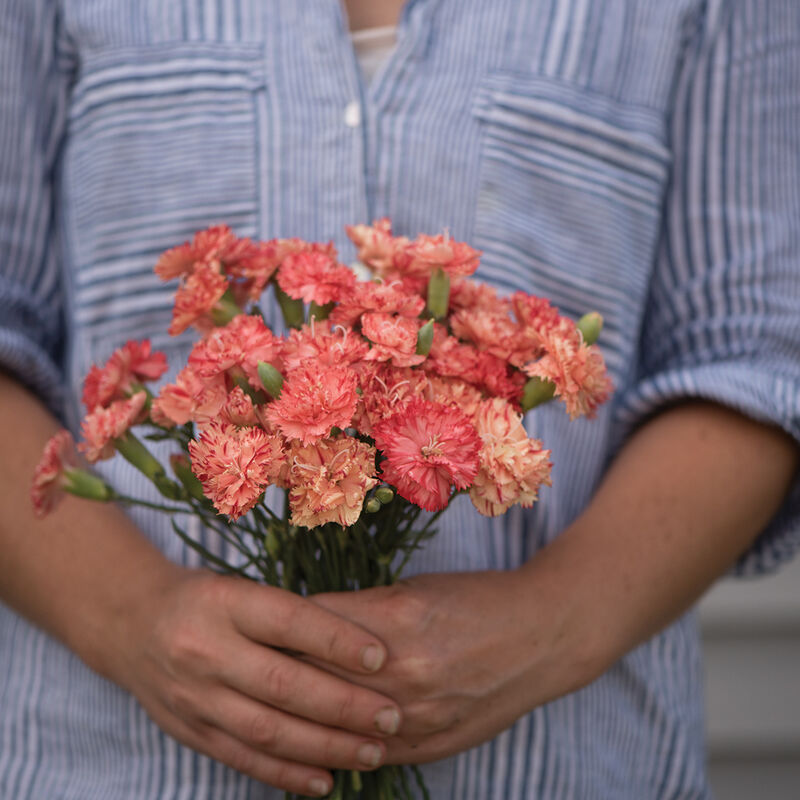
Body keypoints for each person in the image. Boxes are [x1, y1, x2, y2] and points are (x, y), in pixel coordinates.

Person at [1, 0, 799, 797]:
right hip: (108, 764)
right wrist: (132, 615)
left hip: (565, 765)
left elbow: (757, 354)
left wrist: (554, 620)